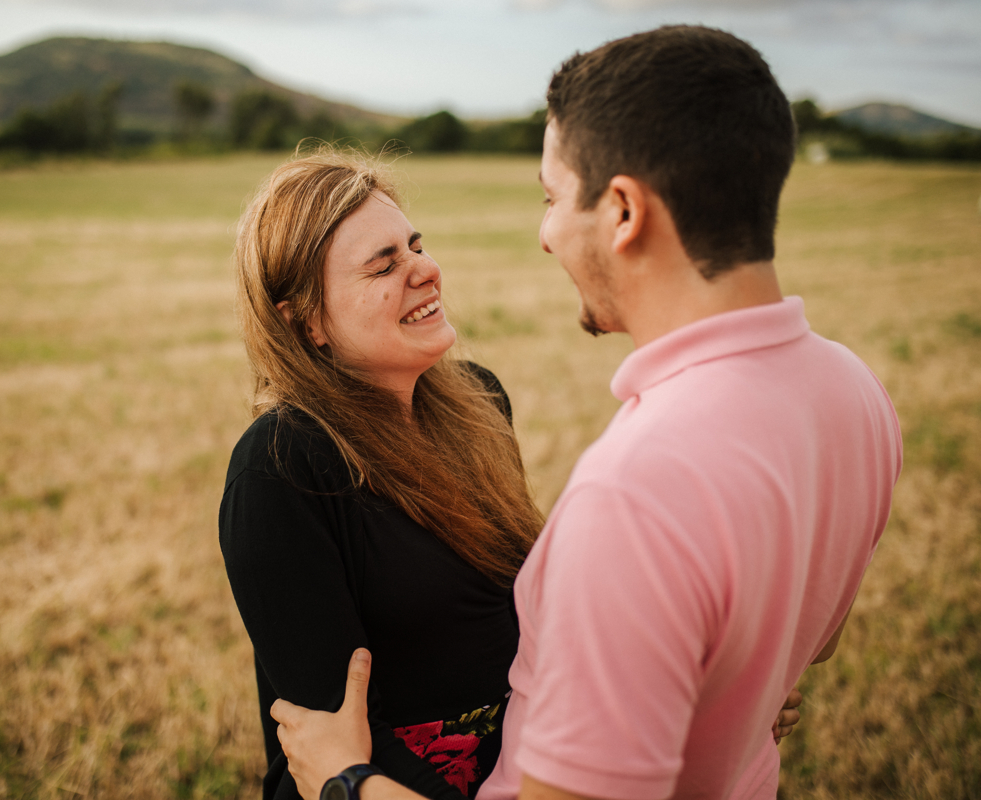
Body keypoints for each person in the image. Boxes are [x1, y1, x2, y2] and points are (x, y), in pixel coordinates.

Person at [269, 25, 902, 800]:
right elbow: (808, 636)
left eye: (552, 196)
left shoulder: (634, 494)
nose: (545, 234)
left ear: (623, 212)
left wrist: (345, 782)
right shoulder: (856, 391)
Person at [219, 150, 547, 800]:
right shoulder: (280, 467)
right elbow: (331, 731)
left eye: (415, 246)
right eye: (384, 265)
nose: (426, 271)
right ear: (306, 321)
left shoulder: (482, 403)